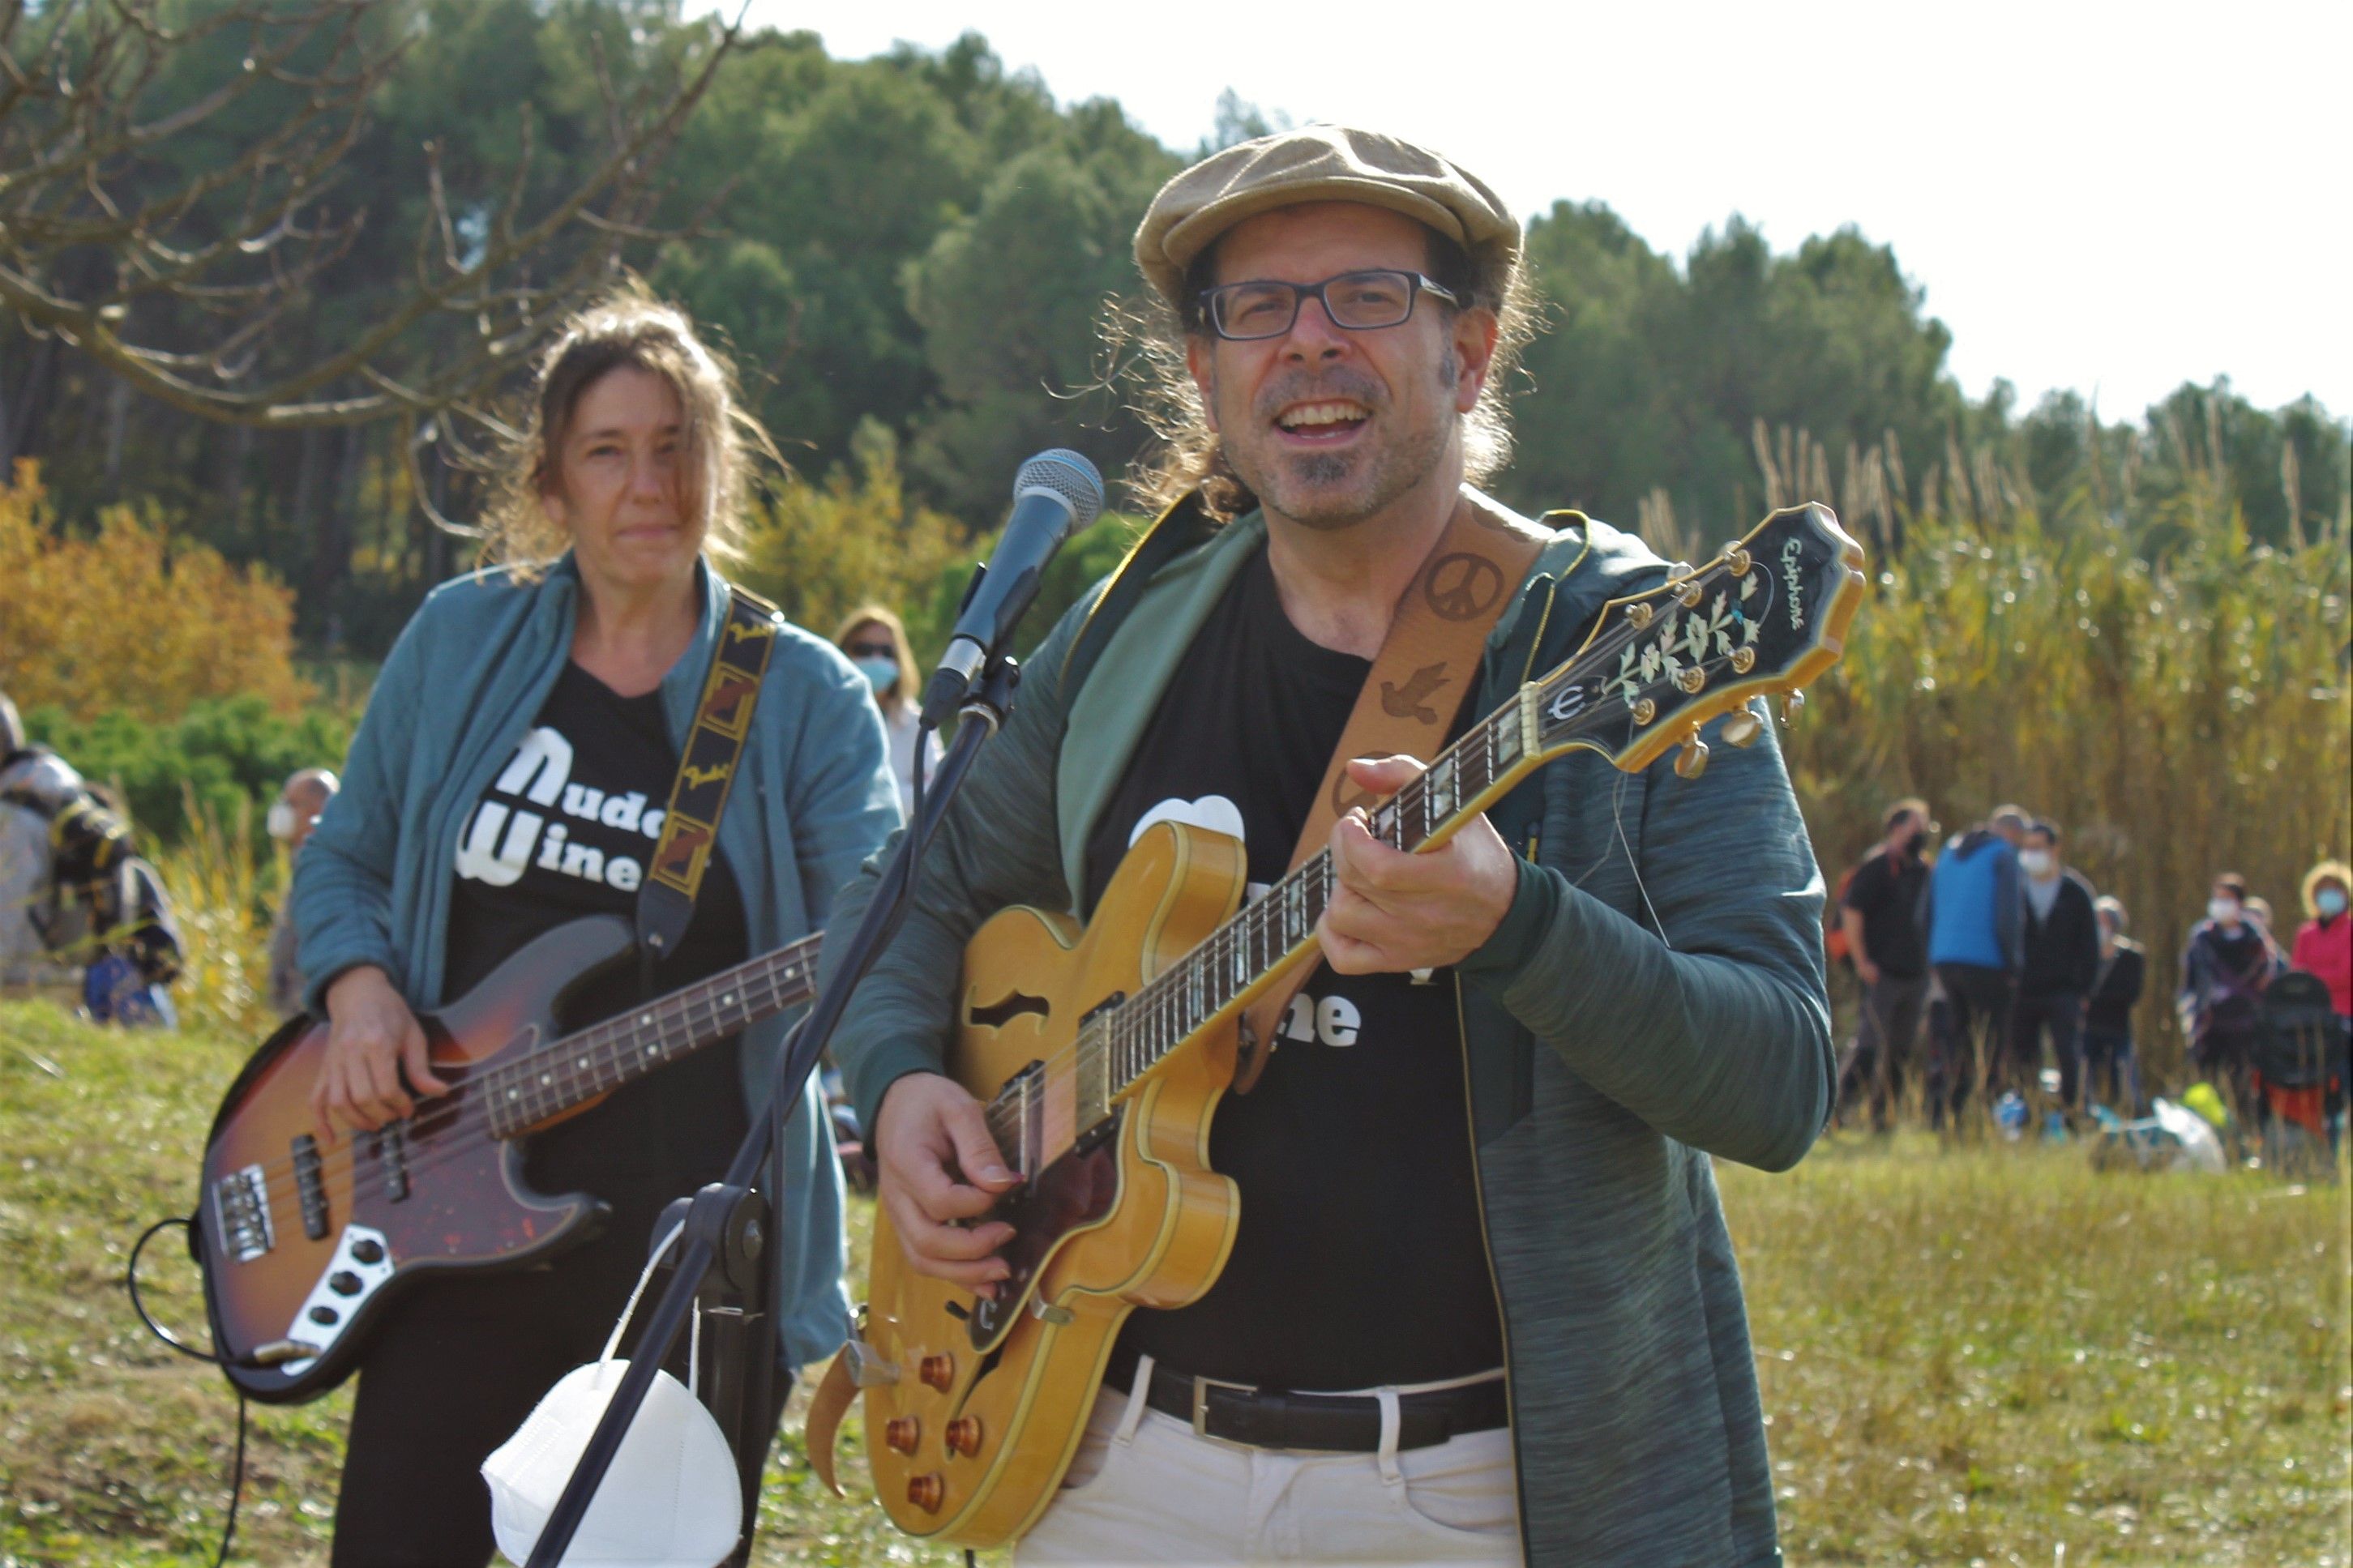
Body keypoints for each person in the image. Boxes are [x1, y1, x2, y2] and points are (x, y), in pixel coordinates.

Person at [823, 126, 1833, 1566]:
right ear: (1203, 372)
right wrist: (903, 1076)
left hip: (1488, 1490)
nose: (1306, 345)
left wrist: (1517, 931)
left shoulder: (1623, 647)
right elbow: (903, 897)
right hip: (1112, 1461)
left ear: (1467, 353)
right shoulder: (1129, 634)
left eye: (1364, 296)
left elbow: (1779, 1076)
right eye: (1255, 309)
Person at [289, 285, 901, 1567]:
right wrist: (356, 990)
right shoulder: (463, 639)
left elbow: (881, 922)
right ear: (553, 478)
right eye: (609, 450)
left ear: (717, 462)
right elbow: (345, 856)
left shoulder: (796, 697)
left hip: (683, 1266)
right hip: (445, 1227)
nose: (649, 481)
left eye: (677, 443)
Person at [0, 688, 182, 1012]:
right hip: (67, 980)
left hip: (23, 985)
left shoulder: (13, 818)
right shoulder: (61, 796)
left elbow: (6, 909)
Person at [1923, 804, 2027, 1120]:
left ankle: (1945, 1113)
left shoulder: (1948, 854)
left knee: (1956, 1039)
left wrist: (1933, 956)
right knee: (1991, 1043)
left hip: (1945, 958)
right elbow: (2007, 916)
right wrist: (2013, 964)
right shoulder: (2003, 856)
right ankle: (1981, 1112)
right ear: (2013, 832)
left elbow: (1924, 913)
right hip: (1987, 962)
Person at [1837, 797, 1933, 1130]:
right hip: (1882, 974)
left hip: (1917, 974)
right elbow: (1852, 913)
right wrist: (1861, 960)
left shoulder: (1925, 870)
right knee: (1868, 1045)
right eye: (1916, 826)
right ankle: (1836, 1113)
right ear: (1896, 828)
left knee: (1901, 1051)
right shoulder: (1877, 868)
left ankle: (1884, 1116)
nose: (1923, 833)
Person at [2009, 819, 2100, 1116]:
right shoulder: (2014, 890)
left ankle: (2076, 1114)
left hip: (2063, 991)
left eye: (2038, 847)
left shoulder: (2076, 893)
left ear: (2055, 849)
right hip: (2022, 990)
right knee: (2024, 1058)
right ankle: (2030, 1116)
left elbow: (2089, 946)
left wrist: (2084, 989)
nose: (2032, 854)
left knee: (2069, 1055)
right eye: (2028, 848)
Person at [2179, 873, 2280, 1120]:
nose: (2220, 904)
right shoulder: (2202, 941)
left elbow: (2266, 980)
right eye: (2217, 898)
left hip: (2246, 1027)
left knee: (2245, 1085)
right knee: (2207, 1085)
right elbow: (2189, 984)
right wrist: (2190, 1017)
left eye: (2227, 898)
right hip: (2210, 1026)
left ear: (2240, 904)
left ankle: (2247, 1136)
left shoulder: (2257, 943)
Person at [836, 605, 940, 819]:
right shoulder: (822, 716)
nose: (876, 658)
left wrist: (870, 793)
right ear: (842, 653)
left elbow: (935, 794)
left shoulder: (917, 723)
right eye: (864, 650)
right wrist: (903, 791)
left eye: (886, 652)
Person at [264, 767, 339, 1018]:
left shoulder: (325, 864)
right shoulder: (303, 860)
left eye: (291, 804)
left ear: (316, 810)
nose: (283, 812)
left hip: (311, 1002)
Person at [2288, 858, 2351, 1147]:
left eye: (2334, 889)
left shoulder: (2349, 930)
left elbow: (2345, 975)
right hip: (2311, 1019)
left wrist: (2312, 979)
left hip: (2344, 1016)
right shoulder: (2306, 934)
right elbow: (2296, 974)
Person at [2081, 895, 2146, 1114]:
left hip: (2118, 1028)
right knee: (2083, 1078)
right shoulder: (2084, 955)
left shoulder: (2131, 957)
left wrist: (2096, 997)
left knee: (2126, 1079)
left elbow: (2131, 993)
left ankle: (2131, 1115)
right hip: (2087, 1028)